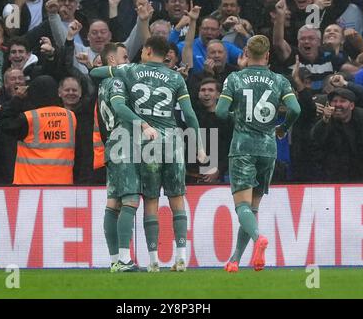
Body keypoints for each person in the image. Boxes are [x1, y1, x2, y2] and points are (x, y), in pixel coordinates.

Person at [91, 36, 205, 272]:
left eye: (141, 49)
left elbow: (95, 74)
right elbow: (190, 115)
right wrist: (201, 147)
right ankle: (181, 256)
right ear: (167, 56)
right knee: (177, 199)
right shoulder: (175, 77)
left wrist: (110, 67)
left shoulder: (129, 70)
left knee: (147, 200)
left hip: (144, 143)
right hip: (172, 141)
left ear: (148, 50)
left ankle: (151, 261)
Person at [215, 35, 301, 272]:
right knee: (252, 208)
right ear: (268, 56)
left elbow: (221, 112)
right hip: (268, 148)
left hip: (243, 147)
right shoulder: (279, 80)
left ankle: (258, 238)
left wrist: (237, 116)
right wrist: (282, 128)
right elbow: (295, 108)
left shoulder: (235, 78)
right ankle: (235, 260)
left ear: (245, 52)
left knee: (242, 207)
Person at [97, 42, 157, 272]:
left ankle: (115, 260)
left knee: (113, 204)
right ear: (112, 61)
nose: (128, 60)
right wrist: (143, 124)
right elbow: (119, 107)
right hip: (124, 143)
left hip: (112, 143)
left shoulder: (103, 83)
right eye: (124, 56)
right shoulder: (117, 80)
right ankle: (123, 259)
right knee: (130, 200)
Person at [1, 75, 77, 184]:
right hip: (62, 185)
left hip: (30, 185)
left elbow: (4, 123)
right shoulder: (70, 117)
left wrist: (17, 98)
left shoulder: (29, 118)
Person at [310, 87, 363, 182]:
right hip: (335, 177)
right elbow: (315, 141)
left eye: (342, 101)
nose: (338, 104)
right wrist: (324, 121)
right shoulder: (325, 121)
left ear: (351, 106)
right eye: (334, 101)